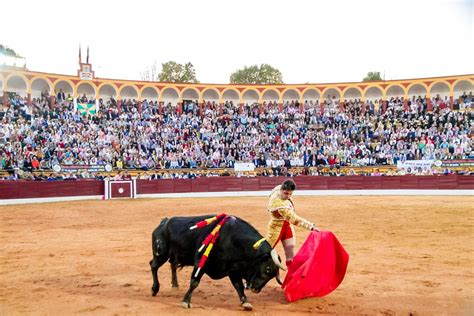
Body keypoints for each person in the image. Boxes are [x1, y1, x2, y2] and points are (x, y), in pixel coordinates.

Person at [265, 179, 318, 268]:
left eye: (290, 194)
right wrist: (311, 227)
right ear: (281, 190)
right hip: (276, 227)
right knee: (265, 251)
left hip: (286, 225)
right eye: (286, 193)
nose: (288, 196)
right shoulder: (279, 205)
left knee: (290, 247)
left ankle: (291, 270)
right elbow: (294, 219)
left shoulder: (278, 189)